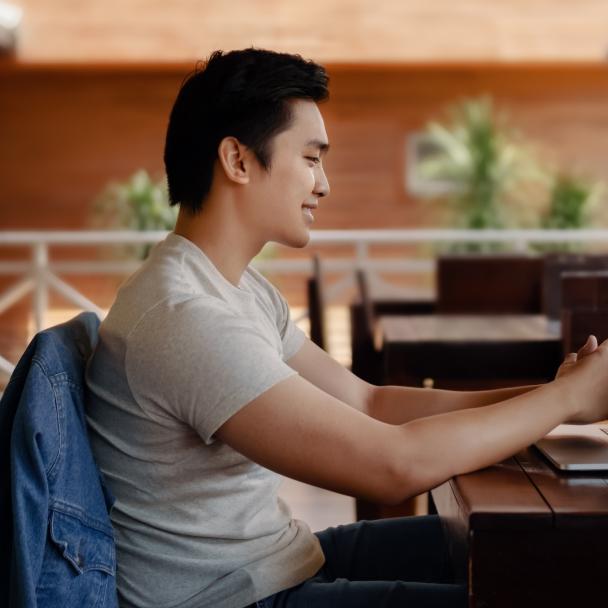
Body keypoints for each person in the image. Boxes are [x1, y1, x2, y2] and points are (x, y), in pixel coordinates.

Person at [85, 48, 608, 608]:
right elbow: (392, 466)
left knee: (543, 560)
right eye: (311, 158)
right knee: (544, 588)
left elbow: (370, 402)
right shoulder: (184, 316)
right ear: (237, 160)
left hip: (273, 562)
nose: (324, 184)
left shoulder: (236, 290)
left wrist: (558, 398)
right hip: (231, 596)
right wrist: (561, 400)